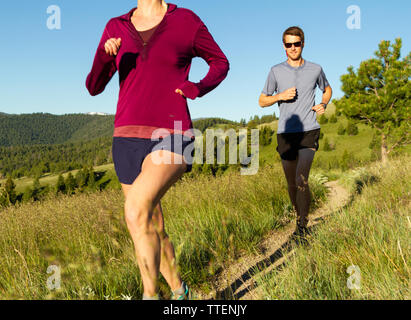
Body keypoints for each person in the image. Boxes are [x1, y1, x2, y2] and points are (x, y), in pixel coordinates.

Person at [86, 0, 229, 300]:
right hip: (126, 139)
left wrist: (198, 87)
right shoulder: (116, 26)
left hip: (173, 132)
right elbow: (94, 86)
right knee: (150, 224)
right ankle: (180, 291)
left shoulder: (186, 21)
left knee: (136, 210)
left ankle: (150, 296)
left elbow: (220, 62)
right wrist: (103, 55)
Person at [258, 26, 332, 240]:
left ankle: (302, 225)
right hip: (285, 134)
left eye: (296, 44)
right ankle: (299, 215)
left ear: (303, 44)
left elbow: (327, 89)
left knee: (301, 179)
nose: (292, 48)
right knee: (291, 184)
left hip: (309, 129)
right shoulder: (275, 71)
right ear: (284, 46)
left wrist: (323, 103)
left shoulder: (316, 69)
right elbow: (262, 100)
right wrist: (279, 96)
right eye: (288, 45)